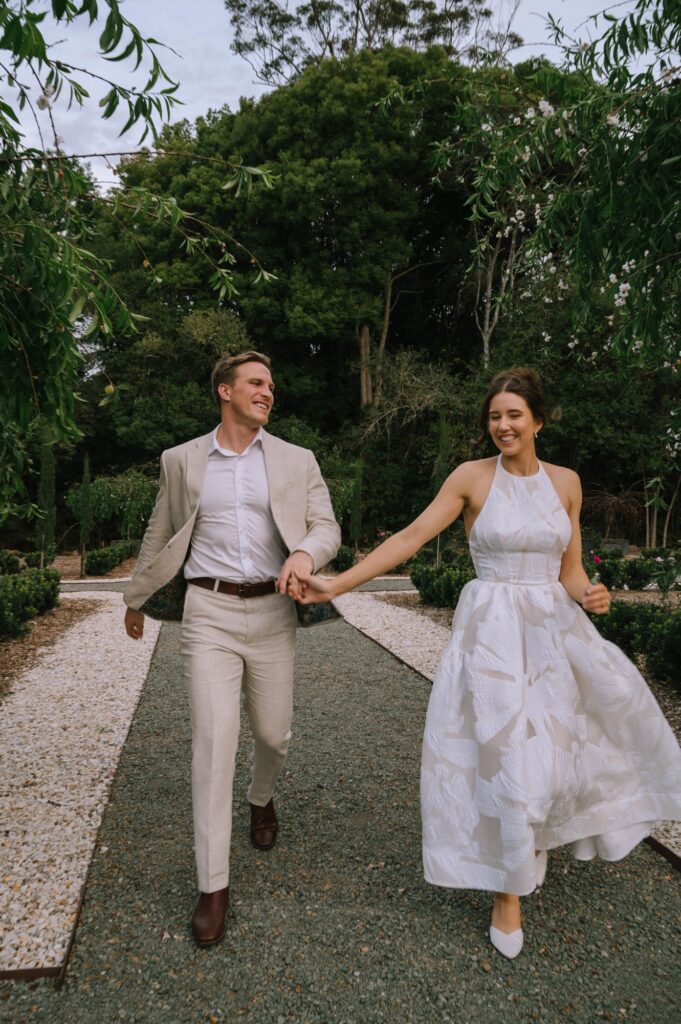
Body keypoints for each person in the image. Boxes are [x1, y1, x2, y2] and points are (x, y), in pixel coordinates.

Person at [291, 367, 681, 958]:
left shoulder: (567, 482)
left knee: (555, 751)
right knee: (501, 755)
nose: (502, 425)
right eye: (495, 416)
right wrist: (338, 583)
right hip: (492, 634)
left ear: (538, 420)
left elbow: (570, 572)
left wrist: (592, 593)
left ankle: (532, 835)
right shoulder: (471, 478)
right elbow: (411, 537)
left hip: (553, 632)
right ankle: (508, 890)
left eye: (514, 415)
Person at [123, 350, 340, 947]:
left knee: (274, 733)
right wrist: (135, 598)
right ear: (225, 390)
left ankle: (261, 798)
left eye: (271, 384)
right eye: (255, 383)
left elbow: (327, 526)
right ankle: (213, 884)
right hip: (207, 612)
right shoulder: (181, 460)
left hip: (274, 612)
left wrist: (304, 554)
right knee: (213, 742)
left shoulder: (298, 459)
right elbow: (159, 529)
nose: (268, 392)